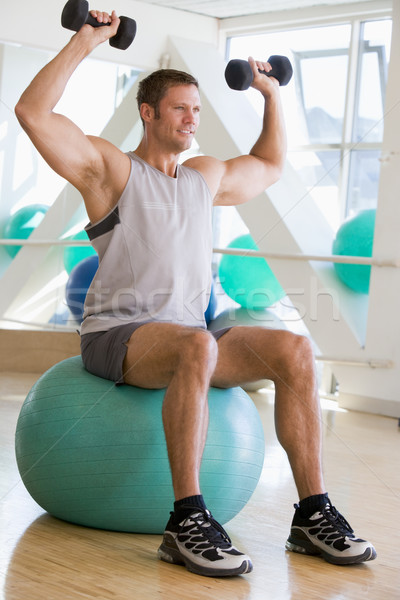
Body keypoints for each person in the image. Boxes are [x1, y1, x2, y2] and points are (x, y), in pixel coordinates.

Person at [15, 9, 376, 578]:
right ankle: (185, 520)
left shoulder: (201, 177)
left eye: (198, 110)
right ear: (148, 113)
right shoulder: (110, 170)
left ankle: (311, 513)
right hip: (118, 336)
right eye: (180, 108)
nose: (191, 119)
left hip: (186, 337)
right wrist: (88, 40)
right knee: (196, 346)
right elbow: (32, 113)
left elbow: (268, 164)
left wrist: (270, 94)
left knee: (295, 351)